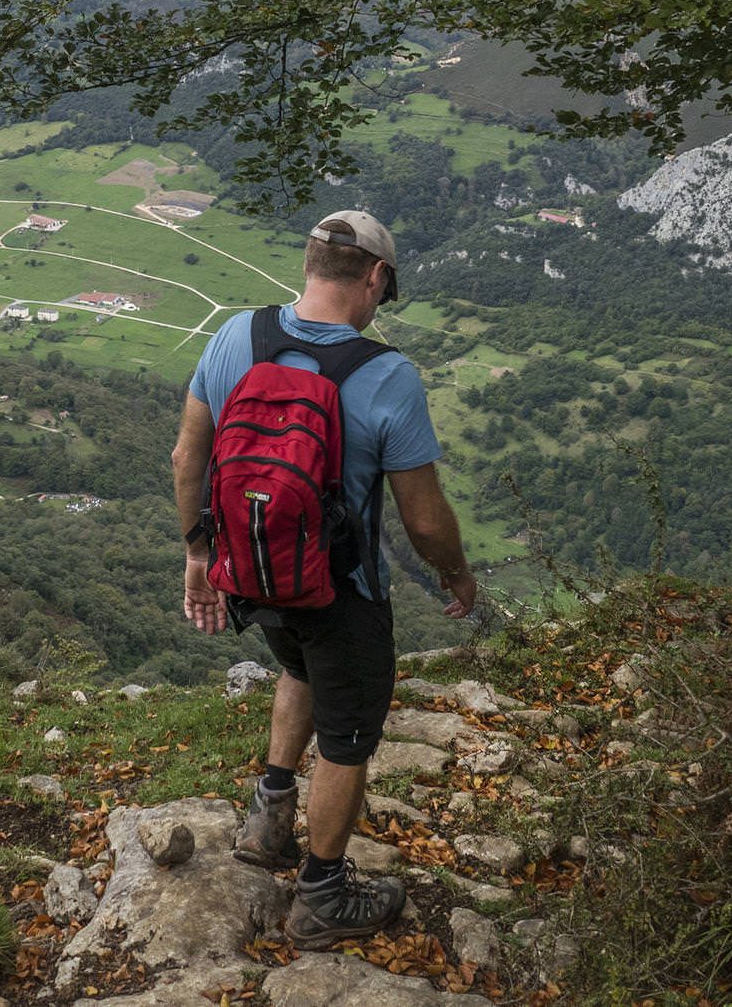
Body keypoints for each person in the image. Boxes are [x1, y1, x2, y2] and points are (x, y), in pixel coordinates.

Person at [172, 210, 479, 949]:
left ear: (310, 264)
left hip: (253, 572)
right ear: (375, 278)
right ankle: (321, 896)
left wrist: (199, 557)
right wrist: (458, 575)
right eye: (386, 289)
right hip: (342, 592)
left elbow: (188, 459)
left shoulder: (235, 337)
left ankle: (269, 816)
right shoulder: (387, 375)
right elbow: (426, 520)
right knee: (348, 738)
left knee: (300, 666)